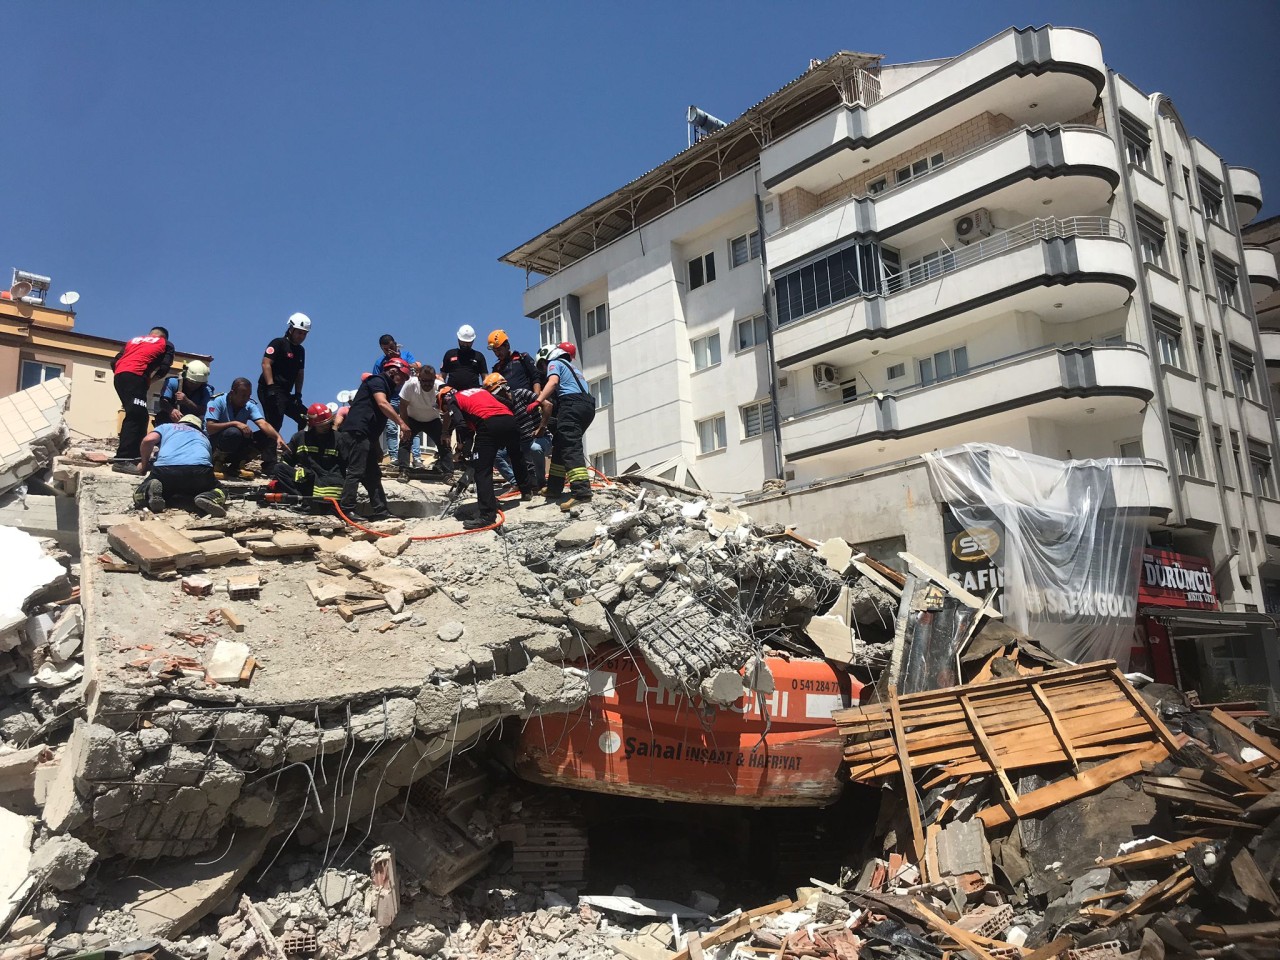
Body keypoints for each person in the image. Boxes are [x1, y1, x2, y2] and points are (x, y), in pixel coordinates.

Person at [437, 381, 531, 530]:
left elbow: (461, 425)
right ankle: (526, 491)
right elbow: (508, 402)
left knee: (482, 470)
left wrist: (463, 448)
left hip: (488, 424)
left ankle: (487, 516)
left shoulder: (453, 400)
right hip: (510, 420)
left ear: (444, 401)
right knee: (516, 455)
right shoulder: (480, 391)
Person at [336, 357, 412, 522]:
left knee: (372, 475)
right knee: (356, 471)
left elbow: (374, 421)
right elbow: (382, 404)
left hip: (366, 437)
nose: (402, 382)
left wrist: (376, 447)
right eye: (403, 377)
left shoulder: (386, 386)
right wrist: (401, 423)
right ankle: (346, 509)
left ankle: (381, 511)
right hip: (356, 434)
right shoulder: (377, 380)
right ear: (393, 371)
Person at [529, 341, 596, 510]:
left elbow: (552, 382)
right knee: (560, 444)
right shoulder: (573, 368)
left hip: (572, 405)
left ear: (546, 359)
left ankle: (581, 492)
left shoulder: (555, 363)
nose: (544, 370)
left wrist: (538, 401)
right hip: (586, 406)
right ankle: (554, 487)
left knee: (570, 446)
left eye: (542, 366)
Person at [133, 414, 226, 518]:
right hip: (199, 471)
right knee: (221, 490)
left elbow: (148, 440)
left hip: (165, 471)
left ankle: (150, 491)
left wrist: (144, 465)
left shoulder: (167, 427)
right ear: (199, 427)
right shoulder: (204, 437)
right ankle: (208, 497)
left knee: (140, 493)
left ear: (180, 422)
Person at [111, 326, 174, 463]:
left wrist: (123, 374)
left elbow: (114, 362)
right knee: (135, 414)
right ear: (163, 337)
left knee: (141, 414)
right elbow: (164, 367)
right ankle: (123, 458)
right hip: (136, 376)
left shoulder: (133, 341)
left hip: (119, 376)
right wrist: (151, 380)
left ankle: (136, 455)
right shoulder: (166, 344)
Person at [206, 378, 286, 477]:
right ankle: (217, 464)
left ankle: (237, 465)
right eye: (243, 396)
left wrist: (278, 437)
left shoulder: (249, 405)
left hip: (235, 445)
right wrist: (234, 423)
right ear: (232, 393)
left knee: (267, 435)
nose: (246, 399)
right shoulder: (218, 401)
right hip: (216, 444)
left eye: (248, 396)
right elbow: (210, 427)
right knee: (233, 432)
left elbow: (263, 424)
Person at [487, 372, 551, 492]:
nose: (498, 397)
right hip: (522, 444)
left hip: (540, 439)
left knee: (535, 448)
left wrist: (541, 428)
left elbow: (548, 406)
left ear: (505, 387)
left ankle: (541, 483)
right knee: (495, 454)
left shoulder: (522, 393)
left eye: (498, 393)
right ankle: (516, 482)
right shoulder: (502, 407)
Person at [275, 403, 343, 509]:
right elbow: (287, 460)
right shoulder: (299, 438)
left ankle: (311, 503)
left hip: (330, 483)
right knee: (279, 468)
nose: (326, 426)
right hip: (307, 480)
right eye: (322, 425)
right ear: (312, 424)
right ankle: (301, 499)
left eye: (328, 423)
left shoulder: (339, 439)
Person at [371, 334, 420, 469]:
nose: (388, 351)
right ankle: (394, 457)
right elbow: (376, 381)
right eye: (385, 349)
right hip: (390, 399)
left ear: (395, 344)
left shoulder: (406, 354)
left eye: (391, 347)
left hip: (407, 398)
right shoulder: (379, 363)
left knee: (411, 428)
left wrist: (397, 359)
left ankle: (416, 457)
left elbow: (416, 368)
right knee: (391, 428)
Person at [258, 312, 310, 434]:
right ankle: (256, 448)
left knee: (305, 418)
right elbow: (266, 364)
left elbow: (300, 373)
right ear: (291, 329)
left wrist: (298, 394)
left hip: (286, 392)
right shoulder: (278, 343)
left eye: (304, 334)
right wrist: (270, 387)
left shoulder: (300, 351)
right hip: (270, 389)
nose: (302, 336)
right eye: (299, 332)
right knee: (274, 423)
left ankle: (299, 449)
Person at [396, 364, 449, 472]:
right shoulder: (410, 384)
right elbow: (402, 406)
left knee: (444, 443)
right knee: (404, 441)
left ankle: (448, 471)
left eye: (430, 381)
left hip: (433, 419)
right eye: (424, 381)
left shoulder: (442, 389)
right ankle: (403, 470)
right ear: (419, 378)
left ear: (435, 379)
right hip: (412, 418)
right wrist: (404, 426)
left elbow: (448, 412)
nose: (427, 384)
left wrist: (445, 432)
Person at [155, 360, 213, 424]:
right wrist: (171, 410)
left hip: (192, 424)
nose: (194, 385)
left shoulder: (206, 390)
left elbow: (204, 411)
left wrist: (187, 401)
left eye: (198, 383)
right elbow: (163, 402)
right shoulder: (173, 382)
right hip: (170, 421)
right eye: (191, 382)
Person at [488, 329, 542, 394]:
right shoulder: (497, 368)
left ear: (507, 346)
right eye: (494, 351)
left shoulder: (523, 358)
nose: (497, 354)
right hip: (508, 403)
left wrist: (537, 401)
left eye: (499, 350)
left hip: (527, 401)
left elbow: (536, 378)